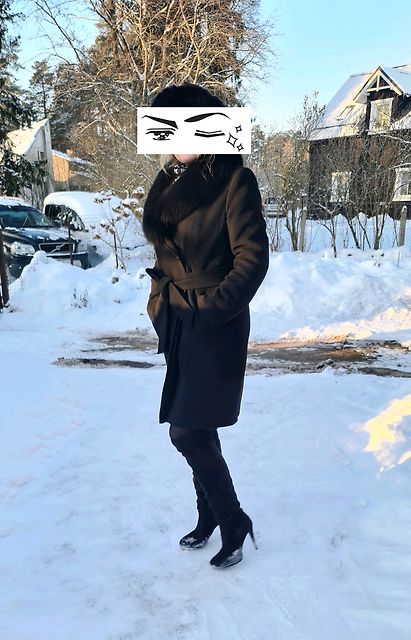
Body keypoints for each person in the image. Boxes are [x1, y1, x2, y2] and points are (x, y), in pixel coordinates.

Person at [142, 83, 269, 569]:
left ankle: (232, 518)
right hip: (178, 318)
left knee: (186, 431)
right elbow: (165, 256)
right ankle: (210, 514)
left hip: (216, 321)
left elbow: (252, 259)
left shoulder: (235, 180)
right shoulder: (168, 182)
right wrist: (159, 301)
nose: (173, 138)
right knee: (198, 424)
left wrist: (212, 311)